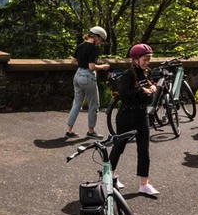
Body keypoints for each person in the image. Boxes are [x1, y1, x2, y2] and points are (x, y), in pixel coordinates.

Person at [108, 43, 160, 196]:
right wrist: (141, 90)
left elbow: (148, 90)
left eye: (149, 59)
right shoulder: (127, 75)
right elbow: (123, 94)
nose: (147, 62)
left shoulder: (147, 72)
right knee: (119, 146)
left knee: (144, 149)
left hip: (142, 115)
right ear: (135, 59)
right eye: (144, 59)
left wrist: (152, 89)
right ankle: (110, 176)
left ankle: (144, 184)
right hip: (126, 115)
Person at [66, 27, 110, 138]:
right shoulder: (93, 49)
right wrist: (103, 66)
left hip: (78, 75)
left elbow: (73, 61)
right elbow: (91, 67)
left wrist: (83, 64)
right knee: (94, 105)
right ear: (97, 36)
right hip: (87, 77)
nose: (100, 43)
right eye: (101, 40)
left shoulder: (80, 46)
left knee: (77, 103)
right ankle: (91, 131)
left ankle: (69, 130)